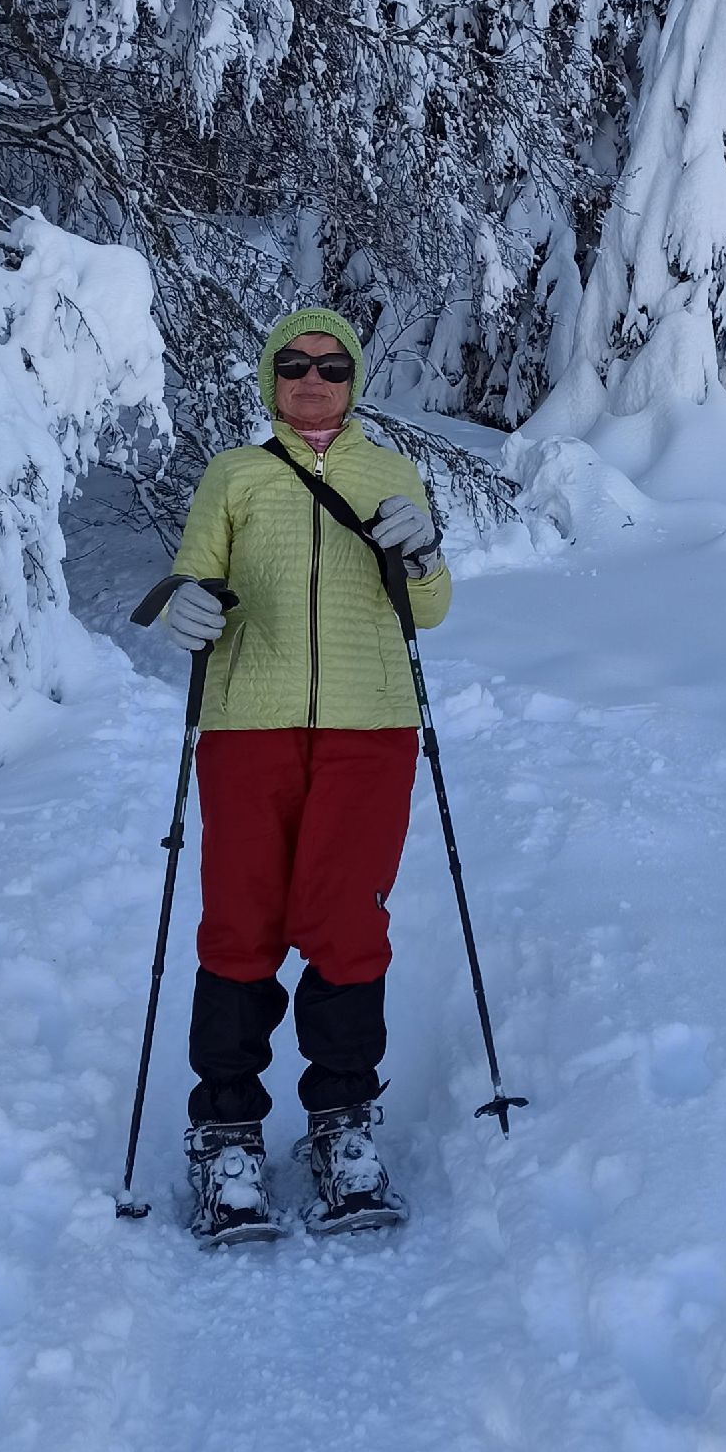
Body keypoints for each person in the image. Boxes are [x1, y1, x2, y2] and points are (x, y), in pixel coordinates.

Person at [157, 307, 450, 1242]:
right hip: (248, 726)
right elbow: (194, 578)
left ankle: (342, 1125)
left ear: (354, 379)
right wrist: (186, 607)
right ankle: (227, 1134)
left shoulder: (391, 473)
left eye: (331, 365)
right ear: (270, 378)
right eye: (293, 364)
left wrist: (425, 552)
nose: (312, 379)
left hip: (372, 727)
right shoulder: (234, 474)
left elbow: (430, 609)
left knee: (347, 923)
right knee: (239, 922)